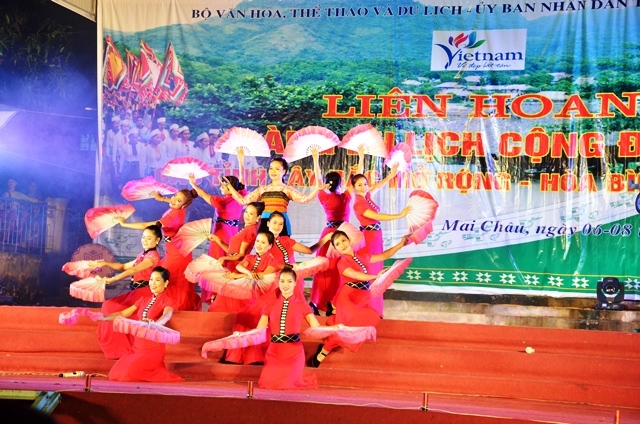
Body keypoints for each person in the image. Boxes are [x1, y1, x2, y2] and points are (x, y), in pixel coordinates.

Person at [309, 231, 411, 368]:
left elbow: (384, 255)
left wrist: (401, 244)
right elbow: (356, 275)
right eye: (337, 244)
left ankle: (326, 347)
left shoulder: (362, 256)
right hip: (347, 298)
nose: (342, 245)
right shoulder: (342, 263)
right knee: (345, 328)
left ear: (349, 241)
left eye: (343, 240)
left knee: (373, 317)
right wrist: (375, 277)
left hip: (362, 298)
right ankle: (323, 352)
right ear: (336, 249)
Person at [256, 267, 342, 389]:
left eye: (289, 281)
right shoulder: (269, 305)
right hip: (274, 352)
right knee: (267, 384)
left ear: (295, 283)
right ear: (278, 282)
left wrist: (334, 328)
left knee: (286, 384)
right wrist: (240, 335)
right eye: (282, 281)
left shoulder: (302, 305)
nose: (285, 285)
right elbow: (259, 329)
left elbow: (316, 327)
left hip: (294, 354)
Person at [116, 189, 201, 311]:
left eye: (178, 200)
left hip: (178, 255)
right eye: (174, 196)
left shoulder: (173, 216)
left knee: (171, 280)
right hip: (173, 250)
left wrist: (125, 224)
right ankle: (162, 306)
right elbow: (173, 202)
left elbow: (147, 226)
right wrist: (162, 199)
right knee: (166, 278)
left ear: (184, 205)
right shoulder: (178, 207)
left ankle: (173, 308)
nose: (173, 200)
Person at [92, 224, 163, 359]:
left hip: (144, 293)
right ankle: (117, 347)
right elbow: (124, 266)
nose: (144, 240)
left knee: (113, 307)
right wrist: (105, 263)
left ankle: (123, 349)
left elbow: (134, 270)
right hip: (135, 292)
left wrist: (113, 279)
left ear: (157, 240)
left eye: (148, 238)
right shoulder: (143, 254)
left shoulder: (152, 256)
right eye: (143, 237)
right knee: (109, 305)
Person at [101, 266, 183, 382]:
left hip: (153, 349)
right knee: (115, 374)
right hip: (137, 348)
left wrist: (156, 324)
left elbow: (167, 315)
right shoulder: (144, 299)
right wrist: (102, 317)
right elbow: (122, 313)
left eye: (157, 280)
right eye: (151, 279)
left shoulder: (167, 301)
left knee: (126, 375)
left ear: (165, 283)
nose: (153, 283)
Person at [349, 166, 410, 317]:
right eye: (359, 185)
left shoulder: (366, 196)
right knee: (373, 270)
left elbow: (377, 186)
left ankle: (375, 309)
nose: (363, 187)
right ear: (354, 187)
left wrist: (390, 175)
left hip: (376, 236)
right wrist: (399, 215)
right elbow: (377, 216)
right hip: (370, 238)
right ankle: (370, 309)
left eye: (365, 184)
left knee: (377, 269)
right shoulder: (358, 203)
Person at [223, 150, 323, 236]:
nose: (273, 171)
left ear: (284, 171)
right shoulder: (263, 189)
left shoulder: (287, 190)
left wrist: (315, 159)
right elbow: (243, 201)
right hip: (265, 223)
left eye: (277, 169)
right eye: (271, 168)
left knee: (281, 250)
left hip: (281, 224)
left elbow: (305, 199)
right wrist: (240, 160)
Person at [188, 173, 246, 303]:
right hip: (233, 233)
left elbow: (203, 194)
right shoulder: (241, 195)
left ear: (229, 187)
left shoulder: (222, 201)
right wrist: (241, 162)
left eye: (223, 186)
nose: (220, 188)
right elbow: (242, 180)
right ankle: (224, 293)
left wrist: (192, 183)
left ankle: (214, 293)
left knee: (217, 261)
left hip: (220, 233)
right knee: (229, 260)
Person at [222, 230, 278, 364]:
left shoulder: (272, 261)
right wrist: (247, 273)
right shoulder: (250, 257)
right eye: (258, 241)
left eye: (263, 242)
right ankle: (235, 357)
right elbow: (240, 266)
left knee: (253, 318)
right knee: (241, 317)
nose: (259, 244)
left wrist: (237, 276)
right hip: (254, 297)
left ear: (270, 246)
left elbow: (261, 276)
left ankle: (256, 357)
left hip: (266, 299)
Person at [207, 201, 265, 312]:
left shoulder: (250, 231)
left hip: (236, 267)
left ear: (258, 217)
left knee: (228, 303)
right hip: (231, 265)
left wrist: (225, 258)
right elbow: (231, 251)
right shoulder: (246, 229)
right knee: (227, 301)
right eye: (246, 212)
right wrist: (217, 240)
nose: (247, 215)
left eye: (251, 213)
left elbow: (241, 255)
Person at [310, 170, 354, 315]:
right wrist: (361, 159)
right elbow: (354, 180)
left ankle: (315, 302)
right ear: (340, 183)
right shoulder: (345, 197)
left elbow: (318, 179)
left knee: (323, 270)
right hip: (342, 236)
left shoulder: (323, 196)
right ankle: (334, 303)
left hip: (328, 235)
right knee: (339, 270)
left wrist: (315, 160)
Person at [265, 211, 328, 300]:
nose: (277, 226)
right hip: (276, 281)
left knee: (296, 304)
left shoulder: (287, 240)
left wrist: (326, 238)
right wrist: (289, 267)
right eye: (274, 222)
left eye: (280, 224)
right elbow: (267, 263)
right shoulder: (263, 242)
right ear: (268, 223)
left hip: (294, 279)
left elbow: (309, 250)